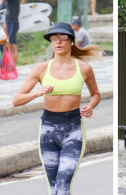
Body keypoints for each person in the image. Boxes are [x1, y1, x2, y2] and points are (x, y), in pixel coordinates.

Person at [12, 22, 102, 194]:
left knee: (63, 184)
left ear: (72, 42)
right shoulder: (41, 69)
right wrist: (38, 93)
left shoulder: (84, 68)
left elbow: (96, 94)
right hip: (48, 130)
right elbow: (16, 100)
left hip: (73, 129)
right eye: (54, 38)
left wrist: (91, 106)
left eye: (63, 37)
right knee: (53, 187)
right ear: (51, 43)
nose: (58, 41)